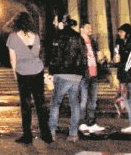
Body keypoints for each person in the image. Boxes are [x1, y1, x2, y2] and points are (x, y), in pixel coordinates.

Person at [6, 11, 52, 148]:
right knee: (40, 104)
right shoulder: (36, 36)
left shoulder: (13, 37)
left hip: (23, 72)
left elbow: (12, 58)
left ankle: (27, 135)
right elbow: (37, 54)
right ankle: (46, 135)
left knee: (26, 105)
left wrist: (15, 74)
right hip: (37, 71)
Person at [47, 16, 87, 142]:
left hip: (62, 73)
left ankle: (52, 132)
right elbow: (83, 56)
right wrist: (81, 73)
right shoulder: (79, 37)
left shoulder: (59, 37)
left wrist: (51, 72)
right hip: (76, 75)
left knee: (55, 103)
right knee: (75, 104)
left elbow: (56, 56)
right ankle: (73, 134)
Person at [77, 22, 105, 135]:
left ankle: (91, 122)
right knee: (83, 100)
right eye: (88, 27)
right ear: (81, 29)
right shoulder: (78, 41)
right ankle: (81, 123)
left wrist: (101, 58)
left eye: (91, 27)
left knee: (93, 100)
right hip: (83, 74)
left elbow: (98, 55)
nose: (90, 29)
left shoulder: (93, 41)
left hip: (94, 73)